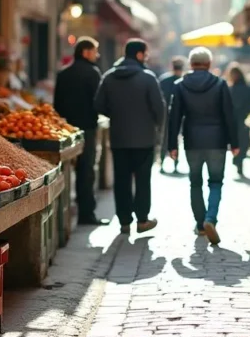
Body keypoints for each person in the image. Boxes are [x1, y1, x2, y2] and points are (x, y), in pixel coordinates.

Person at [166, 47, 239, 245]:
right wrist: (235, 142)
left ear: (191, 64)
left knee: (195, 182)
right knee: (215, 182)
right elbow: (229, 115)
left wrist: (171, 145)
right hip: (217, 141)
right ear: (209, 64)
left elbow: (174, 118)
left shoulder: (180, 85)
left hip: (192, 141)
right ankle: (210, 219)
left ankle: (200, 225)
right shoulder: (220, 84)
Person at [95, 39, 165, 234]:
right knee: (143, 180)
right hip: (144, 138)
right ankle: (142, 220)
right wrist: (157, 128)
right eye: (146, 53)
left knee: (121, 179)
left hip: (119, 137)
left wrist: (115, 114)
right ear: (140, 55)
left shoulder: (109, 77)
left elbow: (98, 105)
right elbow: (159, 109)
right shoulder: (148, 77)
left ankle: (124, 221)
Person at [52, 37, 105, 226]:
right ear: (85, 52)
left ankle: (63, 216)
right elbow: (98, 102)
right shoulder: (93, 73)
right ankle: (86, 214)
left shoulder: (63, 74)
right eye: (94, 51)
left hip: (65, 129)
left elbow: (56, 105)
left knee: (65, 171)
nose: (97, 55)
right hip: (87, 128)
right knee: (86, 170)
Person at [158, 57, 187, 174]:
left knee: (164, 139)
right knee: (176, 139)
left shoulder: (164, 80)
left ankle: (162, 163)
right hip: (179, 115)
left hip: (164, 114)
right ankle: (175, 163)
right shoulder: (183, 81)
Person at [227, 63, 250, 176]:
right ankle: (238, 160)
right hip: (242, 119)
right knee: (242, 142)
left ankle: (237, 160)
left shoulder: (231, 89)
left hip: (238, 119)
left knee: (238, 142)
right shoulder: (246, 88)